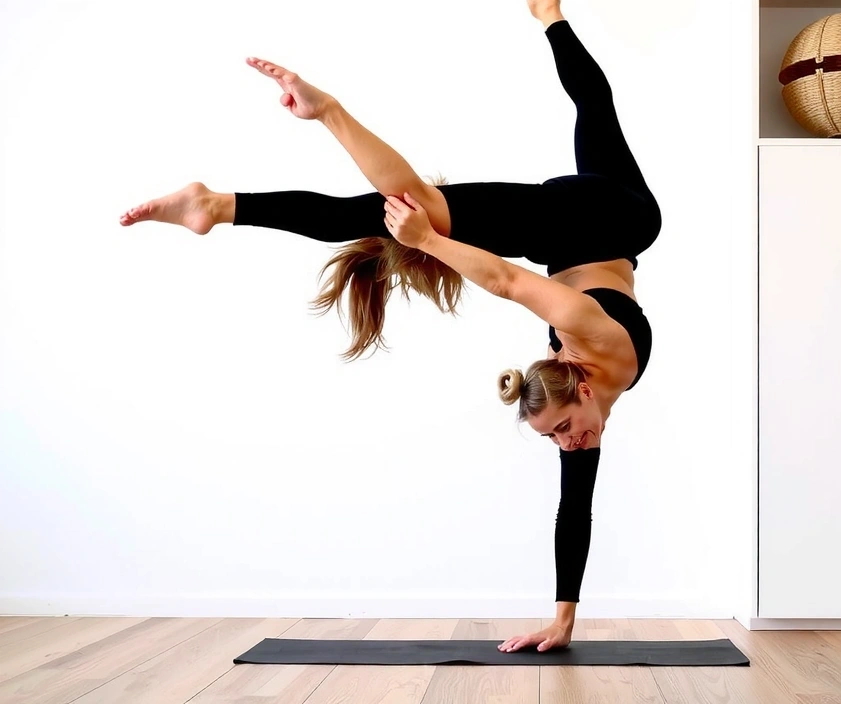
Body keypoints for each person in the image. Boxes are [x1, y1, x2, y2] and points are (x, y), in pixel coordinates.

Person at [119, 0, 661, 654]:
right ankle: (317, 121)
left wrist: (563, 620)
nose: (571, 446)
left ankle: (549, 14)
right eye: (566, 434)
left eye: (557, 440)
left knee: (587, 113)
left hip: (566, 240)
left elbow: (574, 501)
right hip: (615, 218)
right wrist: (428, 242)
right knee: (421, 210)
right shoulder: (594, 334)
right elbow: (507, 282)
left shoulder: (577, 402)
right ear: (578, 384)